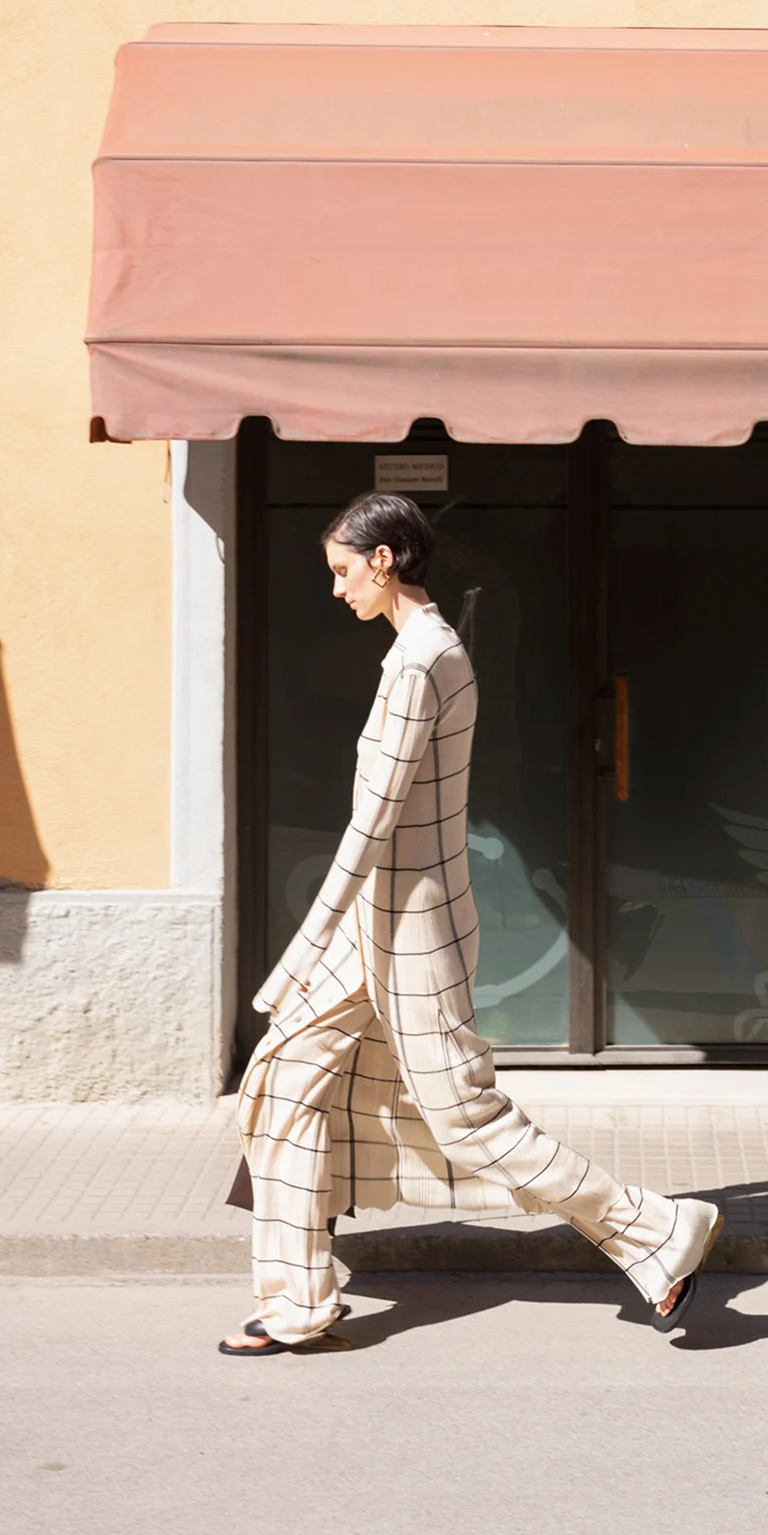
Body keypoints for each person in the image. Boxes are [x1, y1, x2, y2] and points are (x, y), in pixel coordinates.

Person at [221, 490, 721, 1354]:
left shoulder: (421, 659)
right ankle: (299, 1300)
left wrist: (303, 941)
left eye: (343, 572)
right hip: (385, 914)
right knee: (283, 1079)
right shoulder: (421, 649)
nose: (336, 590)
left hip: (410, 922)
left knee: (464, 1120)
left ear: (383, 561)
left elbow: (374, 819)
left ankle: (650, 1227)